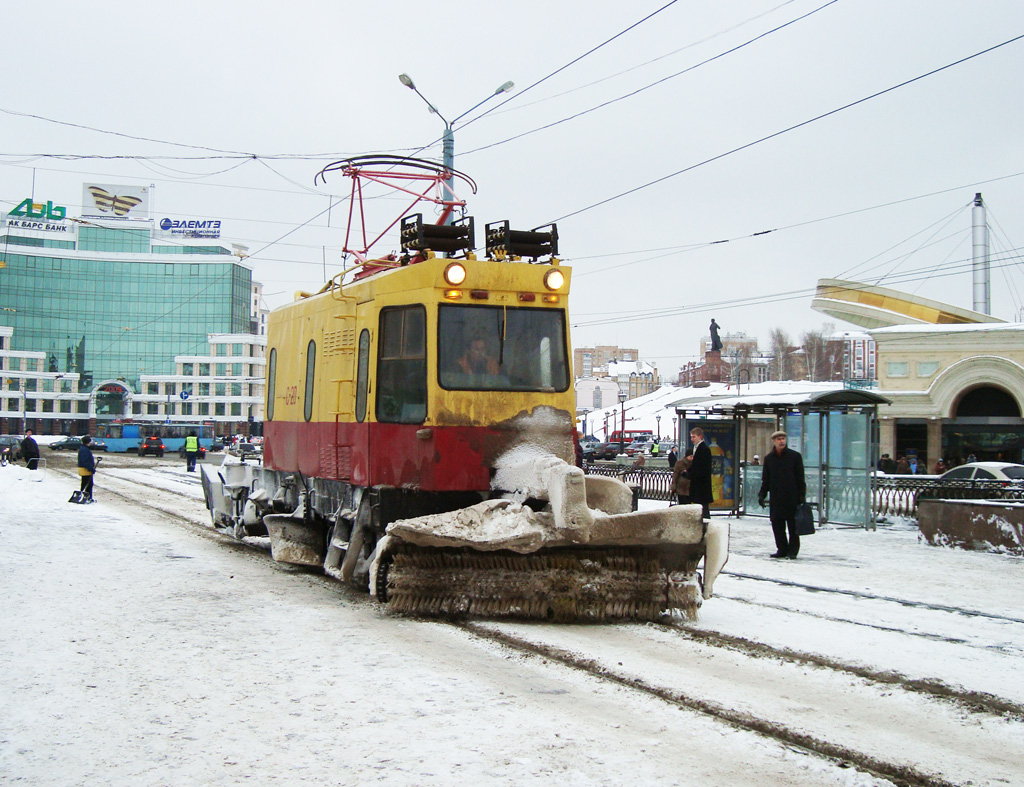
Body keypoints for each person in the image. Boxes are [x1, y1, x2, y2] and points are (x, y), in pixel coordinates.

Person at [757, 430, 807, 559]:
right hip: (776, 498)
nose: (781, 441)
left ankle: (793, 551)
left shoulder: (794, 456)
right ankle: (782, 549)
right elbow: (766, 479)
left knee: (792, 526)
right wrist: (762, 494)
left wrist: (802, 495)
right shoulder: (769, 458)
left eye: (783, 438)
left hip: (792, 497)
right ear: (773, 441)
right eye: (778, 439)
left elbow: (800, 478)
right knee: (777, 525)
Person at [688, 427, 713, 520]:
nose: (692, 439)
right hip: (700, 483)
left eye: (694, 437)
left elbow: (702, 467)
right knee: (701, 507)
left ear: (700, 437)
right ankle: (704, 524)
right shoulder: (698, 448)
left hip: (701, 484)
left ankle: (705, 525)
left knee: (703, 508)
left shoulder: (704, 449)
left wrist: (690, 474)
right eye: (691, 437)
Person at [77, 435, 97, 503]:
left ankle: (85, 497)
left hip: (84, 469)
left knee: (86, 483)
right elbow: (85, 460)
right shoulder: (84, 450)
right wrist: (90, 468)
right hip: (85, 469)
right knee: (88, 484)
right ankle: (86, 497)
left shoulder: (83, 448)